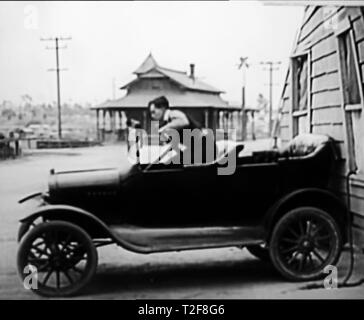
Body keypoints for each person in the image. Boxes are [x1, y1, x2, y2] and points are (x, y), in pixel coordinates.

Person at [148, 96, 215, 164]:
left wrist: (164, 129)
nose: (152, 116)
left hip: (206, 147)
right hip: (194, 150)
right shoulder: (166, 125)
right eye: (151, 113)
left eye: (154, 112)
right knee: (170, 162)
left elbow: (184, 121)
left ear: (162, 108)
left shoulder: (172, 113)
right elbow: (178, 148)